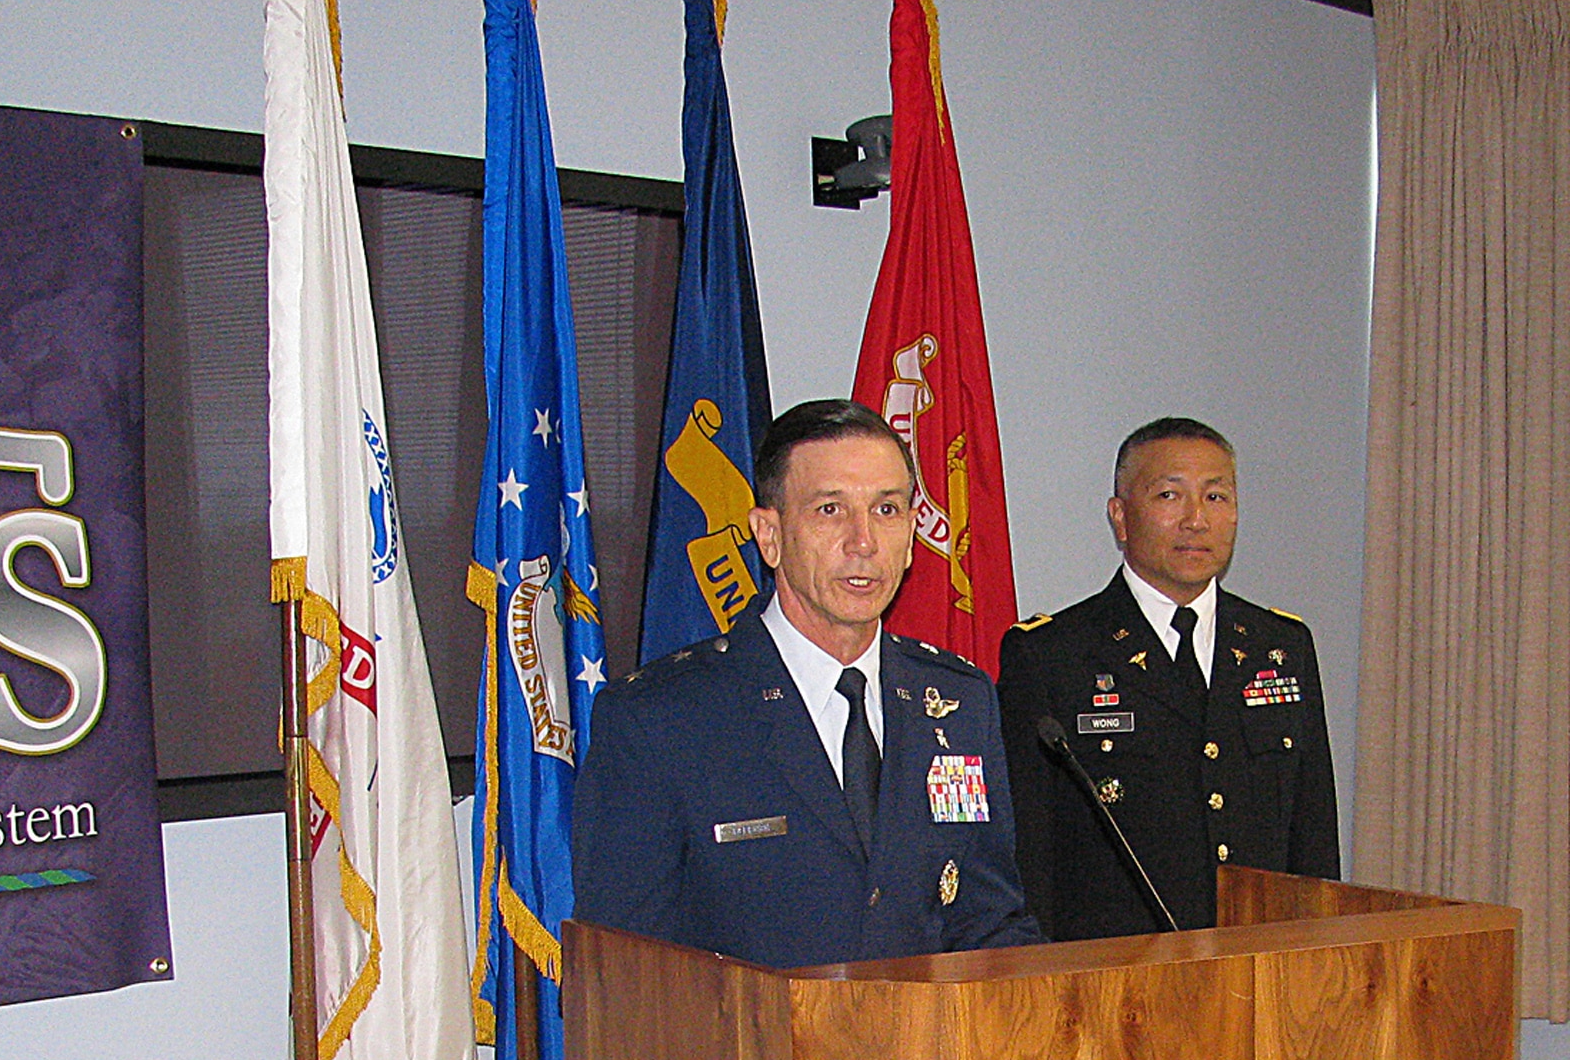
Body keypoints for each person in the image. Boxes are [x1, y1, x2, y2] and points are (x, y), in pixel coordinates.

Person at [572, 399, 1040, 968]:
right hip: (748, 1054)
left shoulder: (958, 702)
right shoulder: (662, 718)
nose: (863, 541)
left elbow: (989, 922)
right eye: (829, 511)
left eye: (888, 510)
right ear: (768, 536)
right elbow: (627, 969)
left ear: (914, 534)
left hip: (929, 1053)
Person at [996, 417, 1339, 939]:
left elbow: (1313, 841)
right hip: (1114, 984)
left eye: (1217, 497)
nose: (1196, 520)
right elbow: (1030, 858)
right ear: (1120, 517)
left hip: (1258, 972)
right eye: (1169, 495)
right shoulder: (1051, 655)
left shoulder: (1282, 647)